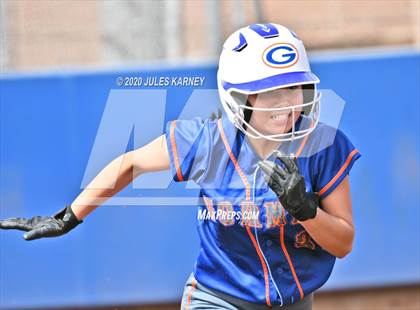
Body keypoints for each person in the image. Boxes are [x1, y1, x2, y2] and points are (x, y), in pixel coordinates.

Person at [0, 23, 361, 310]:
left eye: (293, 88)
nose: (286, 103)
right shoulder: (208, 142)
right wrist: (69, 216)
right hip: (219, 299)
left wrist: (306, 211)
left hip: (294, 302)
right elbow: (132, 164)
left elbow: (343, 242)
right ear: (239, 98)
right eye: (270, 92)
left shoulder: (323, 146)